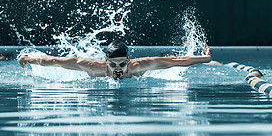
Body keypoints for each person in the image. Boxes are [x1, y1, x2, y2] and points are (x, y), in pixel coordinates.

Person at [18, 40, 212, 79]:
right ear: (105, 62)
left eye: (122, 63)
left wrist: (204, 59)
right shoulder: (93, 68)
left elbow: (176, 61)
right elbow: (56, 61)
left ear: (129, 60)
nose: (118, 69)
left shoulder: (140, 66)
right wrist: (30, 59)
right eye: (113, 64)